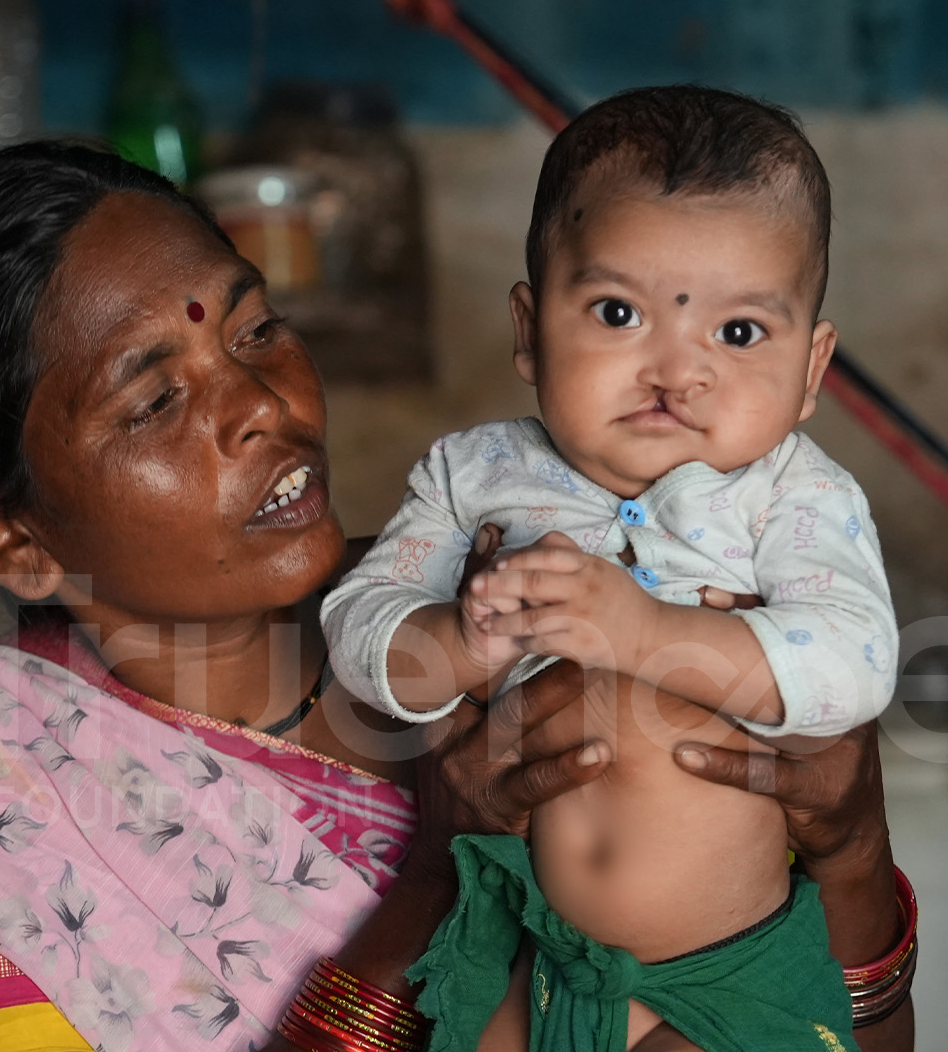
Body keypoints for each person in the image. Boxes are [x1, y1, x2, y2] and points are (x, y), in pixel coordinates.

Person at [0, 141, 916, 1052]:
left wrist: (855, 862)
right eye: (155, 401)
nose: (264, 406)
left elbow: (801, 1025)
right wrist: (431, 885)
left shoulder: (529, 601)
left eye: (257, 331)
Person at [322, 87, 896, 1052]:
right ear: (528, 329)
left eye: (739, 333)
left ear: (810, 369)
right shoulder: (473, 476)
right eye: (618, 312)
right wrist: (458, 640)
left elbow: (854, 663)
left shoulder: (793, 497)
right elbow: (360, 628)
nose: (676, 370)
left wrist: (649, 633)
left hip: (722, 981)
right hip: (526, 951)